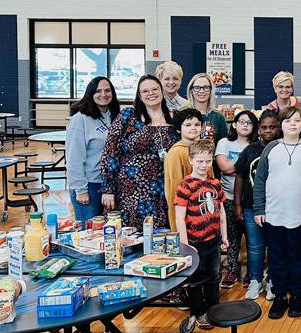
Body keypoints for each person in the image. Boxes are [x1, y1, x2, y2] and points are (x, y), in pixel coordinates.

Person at [253, 106, 301, 319]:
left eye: (297, 121)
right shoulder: (271, 148)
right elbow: (260, 180)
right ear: (281, 124)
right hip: (274, 214)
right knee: (277, 258)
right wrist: (259, 208)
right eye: (288, 120)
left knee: (298, 257)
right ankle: (280, 296)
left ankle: (297, 297)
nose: (293, 124)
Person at [100, 75, 179, 230]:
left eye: (155, 89)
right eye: (145, 91)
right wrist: (108, 189)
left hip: (164, 187)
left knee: (161, 233)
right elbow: (110, 152)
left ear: (162, 91)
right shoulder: (128, 116)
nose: (151, 93)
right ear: (140, 96)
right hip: (131, 189)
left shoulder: (174, 117)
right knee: (131, 235)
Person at [174, 139, 229, 331]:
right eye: (199, 161)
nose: (203, 165)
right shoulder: (185, 186)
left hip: (213, 240)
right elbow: (179, 218)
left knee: (214, 275)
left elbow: (221, 211)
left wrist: (224, 236)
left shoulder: (215, 183)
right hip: (194, 243)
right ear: (191, 160)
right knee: (195, 279)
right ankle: (198, 312)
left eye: (207, 161)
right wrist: (185, 243)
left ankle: (213, 309)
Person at [237, 110, 280, 300]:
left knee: (274, 245)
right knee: (254, 246)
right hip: (250, 206)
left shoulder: (281, 148)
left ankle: (272, 280)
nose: (268, 130)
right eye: (264, 127)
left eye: (272, 127)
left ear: (279, 128)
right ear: (258, 129)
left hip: (275, 207)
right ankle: (255, 281)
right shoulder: (250, 150)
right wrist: (238, 204)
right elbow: (239, 176)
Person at [67, 76, 120, 227]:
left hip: (111, 184)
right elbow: (74, 158)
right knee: (89, 233)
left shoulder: (116, 116)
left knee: (111, 232)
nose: (103, 94)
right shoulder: (80, 119)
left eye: (107, 90)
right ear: (90, 93)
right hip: (89, 185)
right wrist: (80, 189)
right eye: (98, 91)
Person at [217, 110, 256, 288]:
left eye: (249, 122)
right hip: (228, 198)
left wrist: (238, 166)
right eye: (241, 121)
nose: (245, 125)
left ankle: (251, 272)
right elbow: (225, 167)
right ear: (234, 124)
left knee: (251, 239)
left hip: (250, 199)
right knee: (232, 238)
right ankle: (232, 270)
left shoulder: (256, 145)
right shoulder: (224, 143)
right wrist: (244, 164)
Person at [164, 108, 206, 231]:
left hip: (204, 205)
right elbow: (174, 187)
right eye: (188, 125)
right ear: (178, 128)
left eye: (197, 124)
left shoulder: (203, 148)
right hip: (185, 211)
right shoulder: (176, 152)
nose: (193, 128)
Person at [186, 73, 228, 144]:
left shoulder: (218, 117)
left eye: (206, 87)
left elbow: (223, 146)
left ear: (211, 91)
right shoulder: (183, 114)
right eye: (197, 87)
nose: (201, 91)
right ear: (191, 91)